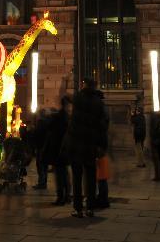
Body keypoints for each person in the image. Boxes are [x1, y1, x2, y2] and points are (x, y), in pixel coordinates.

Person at [64, 78, 107, 218]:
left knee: (77, 178)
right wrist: (101, 145)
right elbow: (103, 126)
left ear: (84, 85)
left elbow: (66, 97)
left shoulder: (78, 98)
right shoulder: (99, 103)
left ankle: (78, 208)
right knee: (91, 177)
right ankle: (90, 208)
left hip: (77, 144)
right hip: (91, 144)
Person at [44, 95, 72, 205]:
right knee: (64, 174)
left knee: (60, 175)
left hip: (58, 150)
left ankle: (61, 197)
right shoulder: (67, 117)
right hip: (64, 149)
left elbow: (49, 128)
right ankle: (67, 196)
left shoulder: (58, 116)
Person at [32, 109, 50, 189]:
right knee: (44, 166)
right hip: (46, 147)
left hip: (40, 147)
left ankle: (41, 183)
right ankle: (44, 182)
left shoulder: (40, 123)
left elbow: (37, 134)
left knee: (40, 165)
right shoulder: (48, 122)